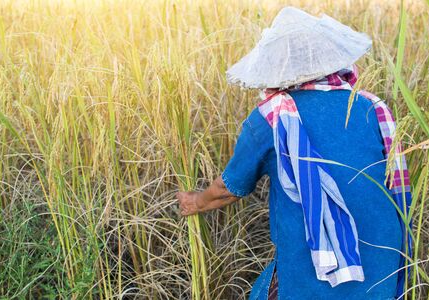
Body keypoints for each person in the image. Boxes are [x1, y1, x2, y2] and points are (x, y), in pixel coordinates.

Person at [176, 7, 412, 300]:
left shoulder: (272, 117)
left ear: (275, 67)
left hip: (317, 273)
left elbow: (229, 188)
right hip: (384, 271)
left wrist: (194, 202)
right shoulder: (374, 109)